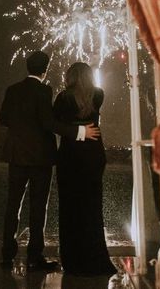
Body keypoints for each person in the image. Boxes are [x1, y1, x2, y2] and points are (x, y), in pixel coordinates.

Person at [0, 51, 100, 272]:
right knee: (38, 207)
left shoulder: (12, 90)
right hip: (39, 157)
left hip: (15, 154)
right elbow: (48, 122)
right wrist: (80, 131)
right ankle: (35, 257)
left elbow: (3, 118)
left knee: (12, 205)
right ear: (45, 69)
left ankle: (7, 255)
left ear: (28, 67)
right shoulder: (44, 90)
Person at [53, 62, 117, 277]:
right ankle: (95, 256)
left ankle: (73, 259)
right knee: (92, 208)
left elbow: (55, 122)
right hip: (93, 154)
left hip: (71, 155)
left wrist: (74, 129)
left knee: (70, 207)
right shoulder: (98, 94)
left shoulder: (63, 98)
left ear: (70, 76)